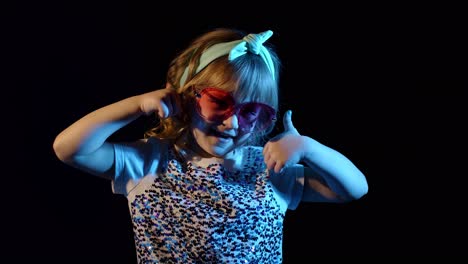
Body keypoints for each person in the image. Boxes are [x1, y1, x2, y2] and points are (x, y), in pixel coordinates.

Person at [53, 28, 368, 263]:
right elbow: (69, 148)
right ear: (185, 97)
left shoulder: (269, 168)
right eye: (219, 103)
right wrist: (137, 105)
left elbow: (353, 189)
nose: (232, 123)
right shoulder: (149, 161)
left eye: (251, 113)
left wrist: (308, 147)